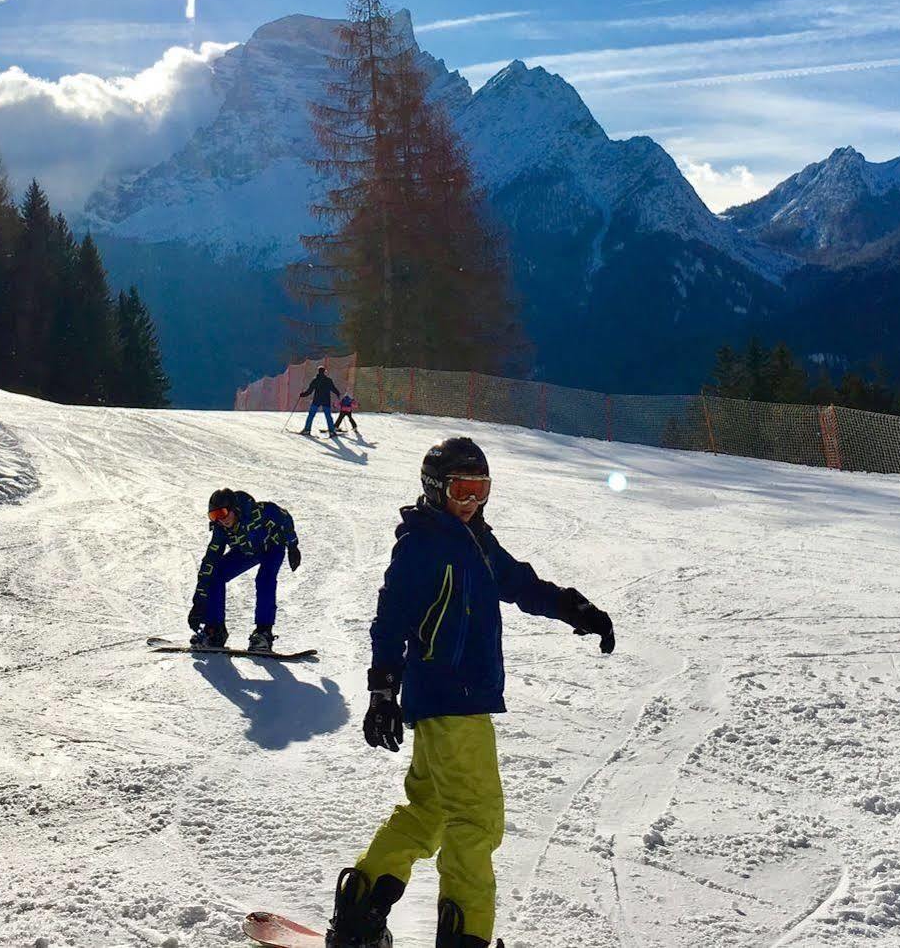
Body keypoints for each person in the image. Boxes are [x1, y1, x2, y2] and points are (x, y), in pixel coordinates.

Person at [326, 438, 614, 948]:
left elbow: (522, 584)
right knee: (476, 820)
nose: (471, 502)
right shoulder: (422, 544)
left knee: (430, 812)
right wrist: (381, 692)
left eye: (480, 490)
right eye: (462, 490)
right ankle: (466, 937)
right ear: (436, 489)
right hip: (450, 697)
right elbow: (389, 622)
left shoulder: (476, 540)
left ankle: (359, 911)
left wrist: (578, 610)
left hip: (454, 699)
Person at [189, 488, 302, 652]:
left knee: (265, 579)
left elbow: (284, 517)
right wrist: (199, 602)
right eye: (214, 516)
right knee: (216, 574)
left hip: (272, 546)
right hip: (247, 551)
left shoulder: (259, 511)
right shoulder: (221, 529)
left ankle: (263, 633)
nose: (220, 520)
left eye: (222, 513)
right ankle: (215, 631)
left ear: (234, 508)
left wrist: (293, 545)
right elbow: (210, 562)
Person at [297, 366, 341, 436]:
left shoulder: (315, 380)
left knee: (311, 415)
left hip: (317, 400)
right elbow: (333, 388)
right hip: (326, 400)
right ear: (324, 372)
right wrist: (338, 394)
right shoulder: (328, 380)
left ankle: (307, 430)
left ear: (318, 372)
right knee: (328, 416)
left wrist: (303, 394)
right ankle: (332, 431)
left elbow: (309, 391)